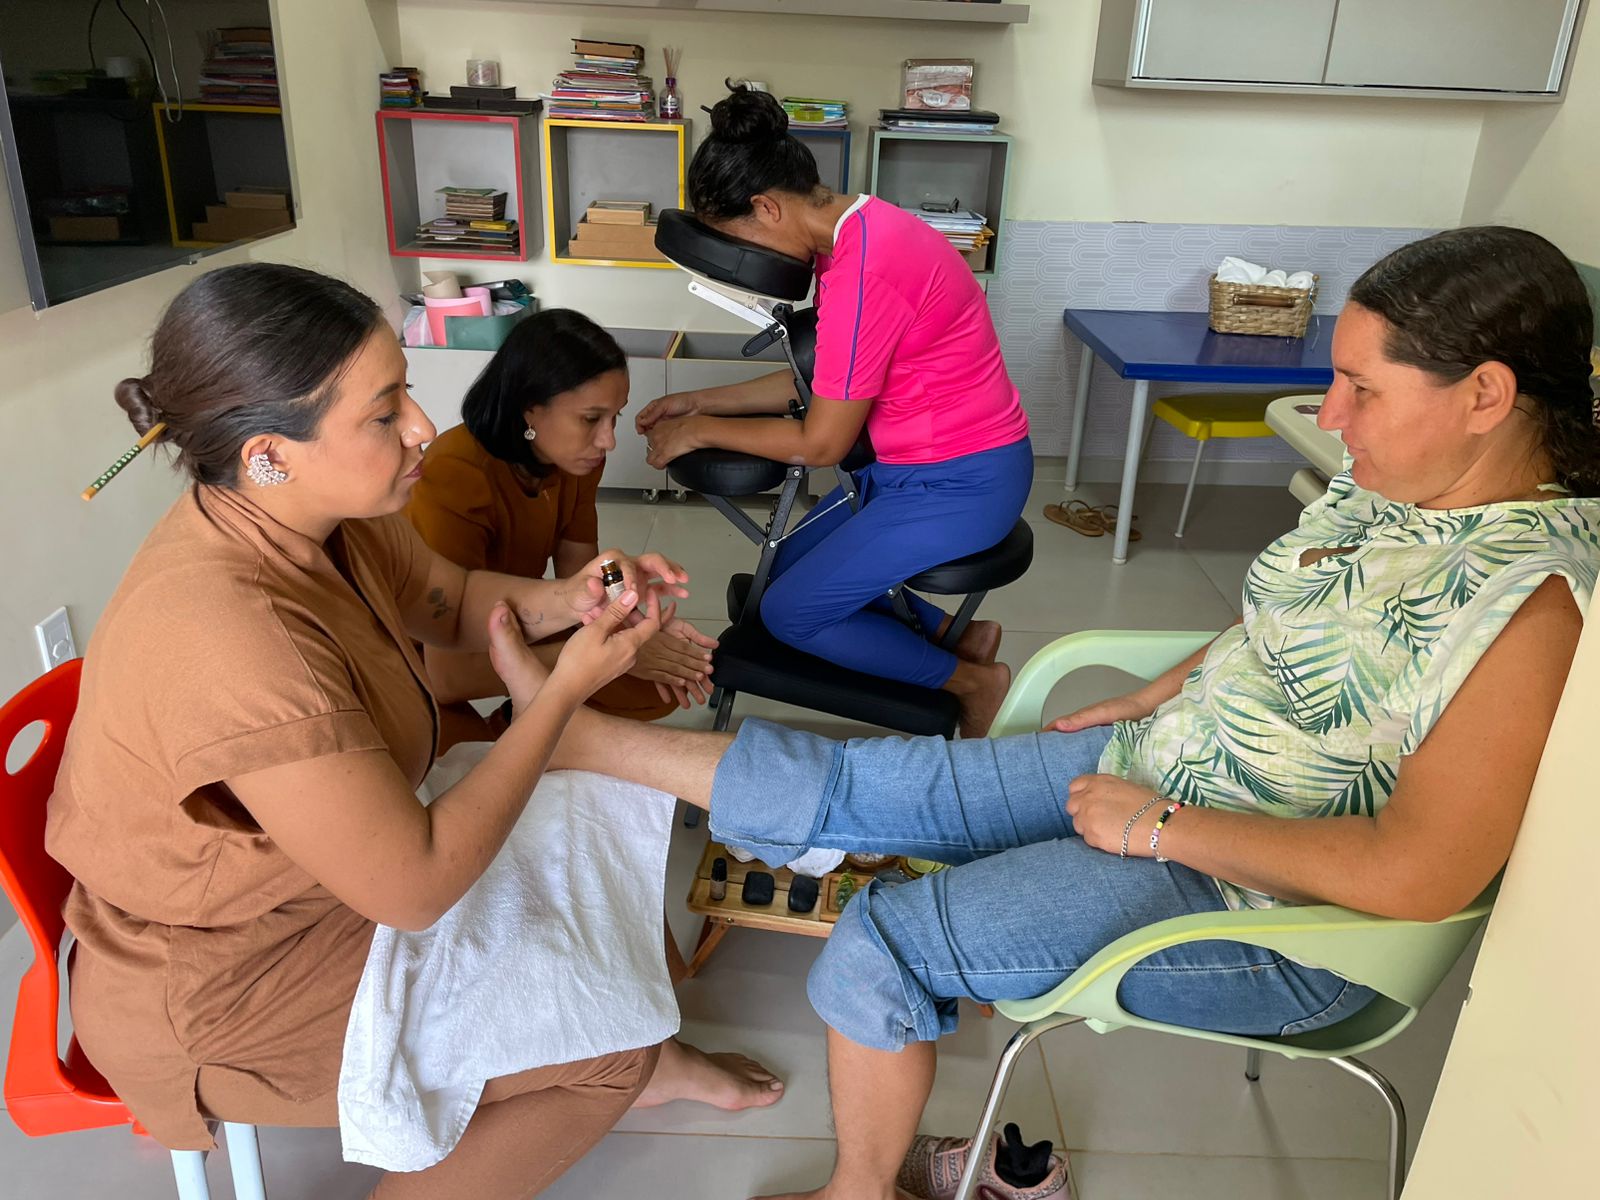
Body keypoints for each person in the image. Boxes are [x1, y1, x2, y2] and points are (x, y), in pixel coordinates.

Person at [499, 226, 1600, 1200]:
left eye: (1361, 387)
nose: (1330, 413)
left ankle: (860, 1190)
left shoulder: (1535, 604)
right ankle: (574, 736)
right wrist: (1170, 688)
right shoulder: (1389, 489)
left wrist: (1159, 828)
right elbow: (1295, 625)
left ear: (1485, 395)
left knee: (875, 944)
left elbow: (1421, 873)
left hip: (1267, 909)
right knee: (863, 783)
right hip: (1169, 768)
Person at [45, 264, 781, 1200]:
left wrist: (575, 600)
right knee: (609, 1049)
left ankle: (639, 1041)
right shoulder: (235, 638)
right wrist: (560, 694)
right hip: (225, 982)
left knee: (587, 830)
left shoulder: (330, 518)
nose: (424, 428)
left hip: (315, 894)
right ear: (270, 451)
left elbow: (453, 599)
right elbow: (417, 886)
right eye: (386, 412)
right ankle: (634, 1061)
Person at [635, 86, 1032, 737]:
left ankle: (971, 681)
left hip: (960, 483)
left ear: (765, 207)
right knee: (784, 575)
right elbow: (825, 385)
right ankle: (961, 637)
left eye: (738, 239)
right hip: (912, 471)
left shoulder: (866, 269)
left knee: (791, 613)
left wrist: (701, 430)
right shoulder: (862, 233)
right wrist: (698, 400)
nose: (746, 262)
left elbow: (820, 442)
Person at [406, 309, 719, 750]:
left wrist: (633, 622)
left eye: (614, 417)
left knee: (656, 691)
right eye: (591, 419)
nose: (609, 440)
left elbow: (582, 574)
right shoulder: (453, 473)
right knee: (457, 764)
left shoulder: (576, 459)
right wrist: (614, 657)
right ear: (529, 409)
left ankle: (526, 715)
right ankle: (525, 723)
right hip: (427, 657)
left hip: (524, 616)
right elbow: (447, 676)